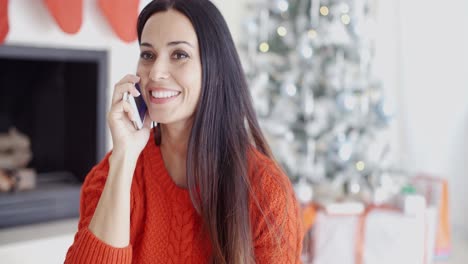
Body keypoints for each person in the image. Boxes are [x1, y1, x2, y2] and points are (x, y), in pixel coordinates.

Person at [65, 0, 303, 263]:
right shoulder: (112, 175)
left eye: (179, 54)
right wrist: (124, 158)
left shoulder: (266, 192)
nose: (156, 72)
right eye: (148, 54)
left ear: (214, 69)